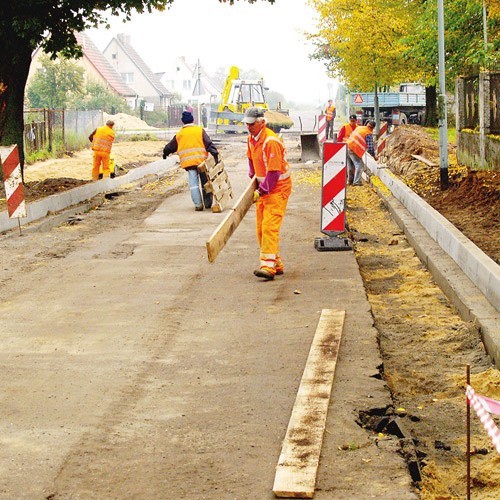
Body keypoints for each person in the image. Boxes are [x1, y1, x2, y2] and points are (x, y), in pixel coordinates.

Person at [242, 106, 292, 281]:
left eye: (252, 124)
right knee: (260, 228)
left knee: (269, 226)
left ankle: (268, 267)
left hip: (278, 188)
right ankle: (275, 262)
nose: (248, 127)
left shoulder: (271, 141)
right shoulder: (252, 138)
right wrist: (252, 179)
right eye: (247, 124)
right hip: (264, 188)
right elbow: (251, 159)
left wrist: (260, 190)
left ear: (262, 122)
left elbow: (274, 172)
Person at [162, 111, 218, 211]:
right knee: (205, 182)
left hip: (189, 164)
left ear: (183, 122)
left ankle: (198, 205)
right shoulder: (199, 130)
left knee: (194, 185)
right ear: (193, 120)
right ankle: (208, 203)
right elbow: (208, 143)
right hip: (202, 162)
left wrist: (165, 153)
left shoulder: (180, 134)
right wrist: (215, 153)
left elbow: (170, 147)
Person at [346, 119, 378, 186]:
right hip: (355, 150)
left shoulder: (360, 127)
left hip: (348, 146)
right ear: (373, 128)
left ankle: (350, 181)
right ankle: (357, 182)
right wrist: (374, 155)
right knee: (360, 166)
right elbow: (370, 148)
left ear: (367, 124)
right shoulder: (368, 133)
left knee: (350, 165)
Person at [337, 114, 358, 184]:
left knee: (354, 165)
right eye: (351, 121)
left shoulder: (358, 128)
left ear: (356, 121)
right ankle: (350, 180)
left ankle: (352, 178)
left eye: (354, 121)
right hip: (346, 148)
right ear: (349, 120)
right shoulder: (345, 127)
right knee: (349, 165)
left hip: (355, 149)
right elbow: (339, 138)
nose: (352, 122)